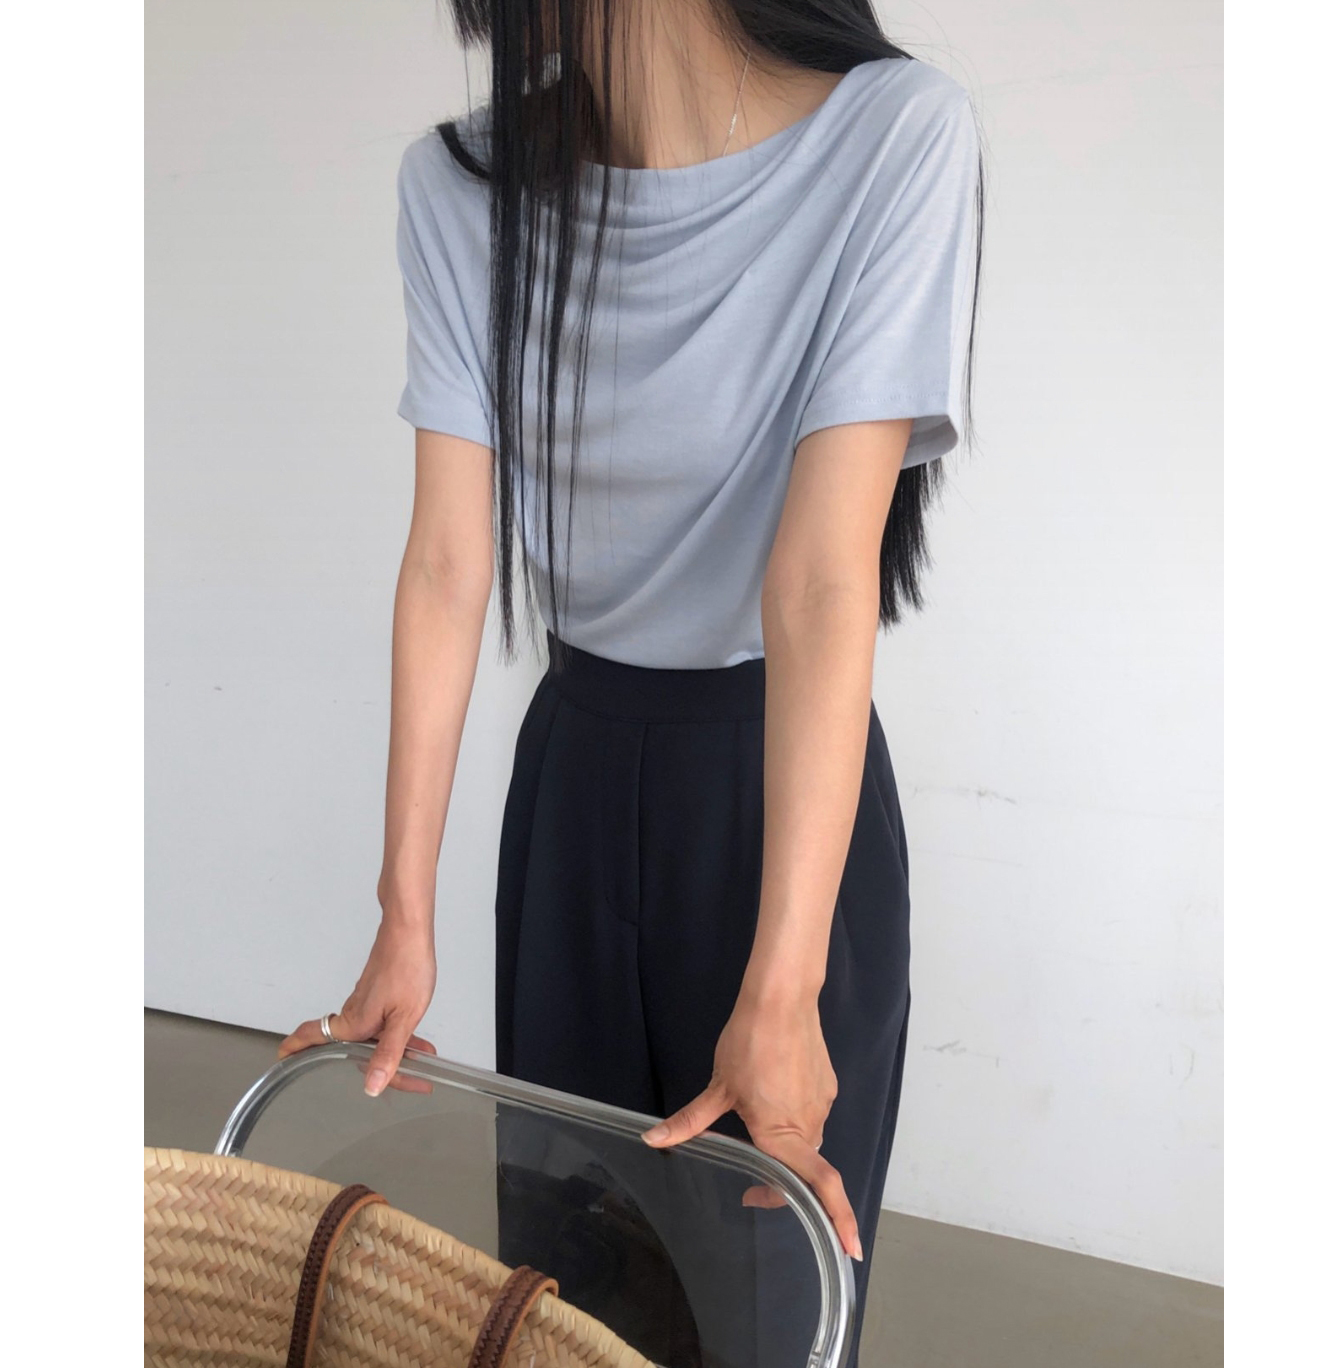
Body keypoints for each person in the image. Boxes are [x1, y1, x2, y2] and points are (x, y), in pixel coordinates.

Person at [279, 2, 983, 1359]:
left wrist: (783, 987)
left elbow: (821, 580)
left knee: (771, 1313)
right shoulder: (462, 185)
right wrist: (403, 913)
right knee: (570, 1299)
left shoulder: (894, 136)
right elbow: (447, 564)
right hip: (575, 785)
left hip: (776, 792)